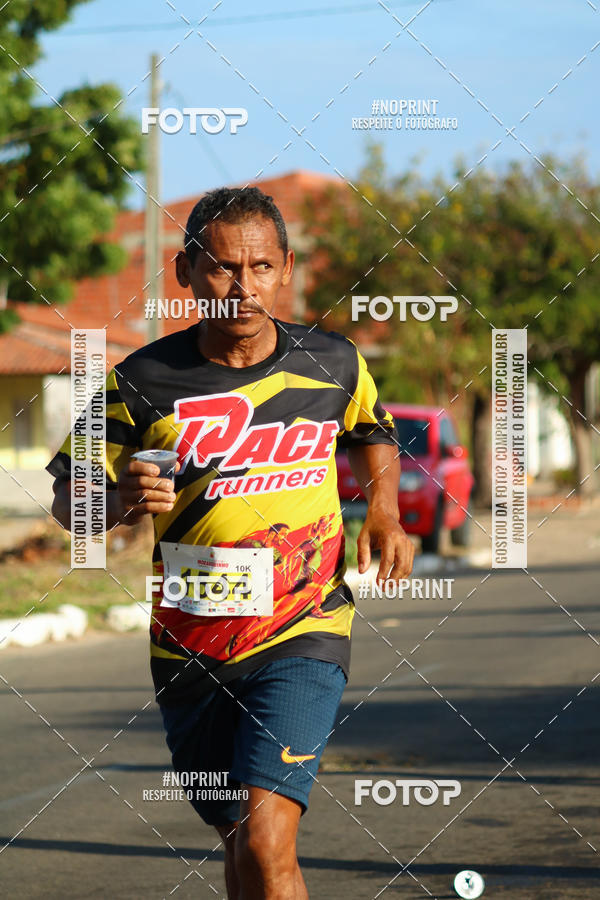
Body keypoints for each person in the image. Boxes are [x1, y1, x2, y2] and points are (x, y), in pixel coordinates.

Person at [48, 186, 415, 899]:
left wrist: (386, 514)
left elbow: (373, 431)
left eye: (262, 267)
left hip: (304, 630)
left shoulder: (332, 363)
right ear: (185, 271)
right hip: (191, 641)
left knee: (268, 838)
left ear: (285, 271)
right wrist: (118, 500)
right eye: (222, 268)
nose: (243, 287)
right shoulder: (141, 381)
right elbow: (69, 498)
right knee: (238, 840)